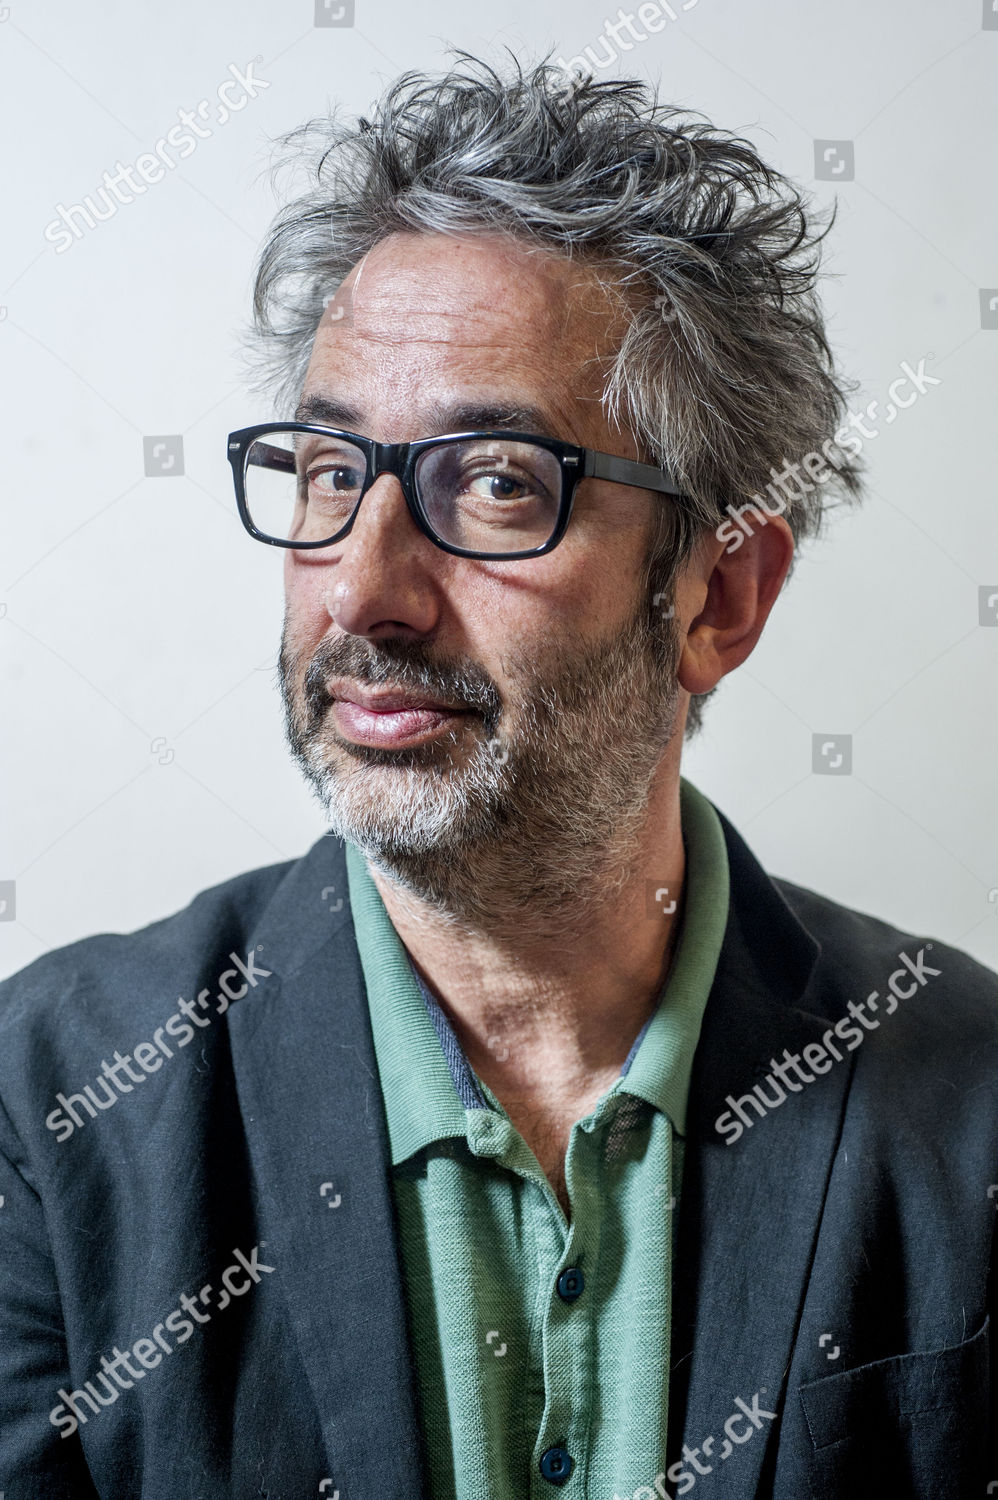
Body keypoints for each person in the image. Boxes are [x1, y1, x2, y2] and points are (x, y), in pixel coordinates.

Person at [1, 51, 995, 1500]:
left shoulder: (967, 1096)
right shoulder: (50, 1104)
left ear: (716, 597)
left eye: (494, 484)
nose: (362, 594)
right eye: (331, 473)